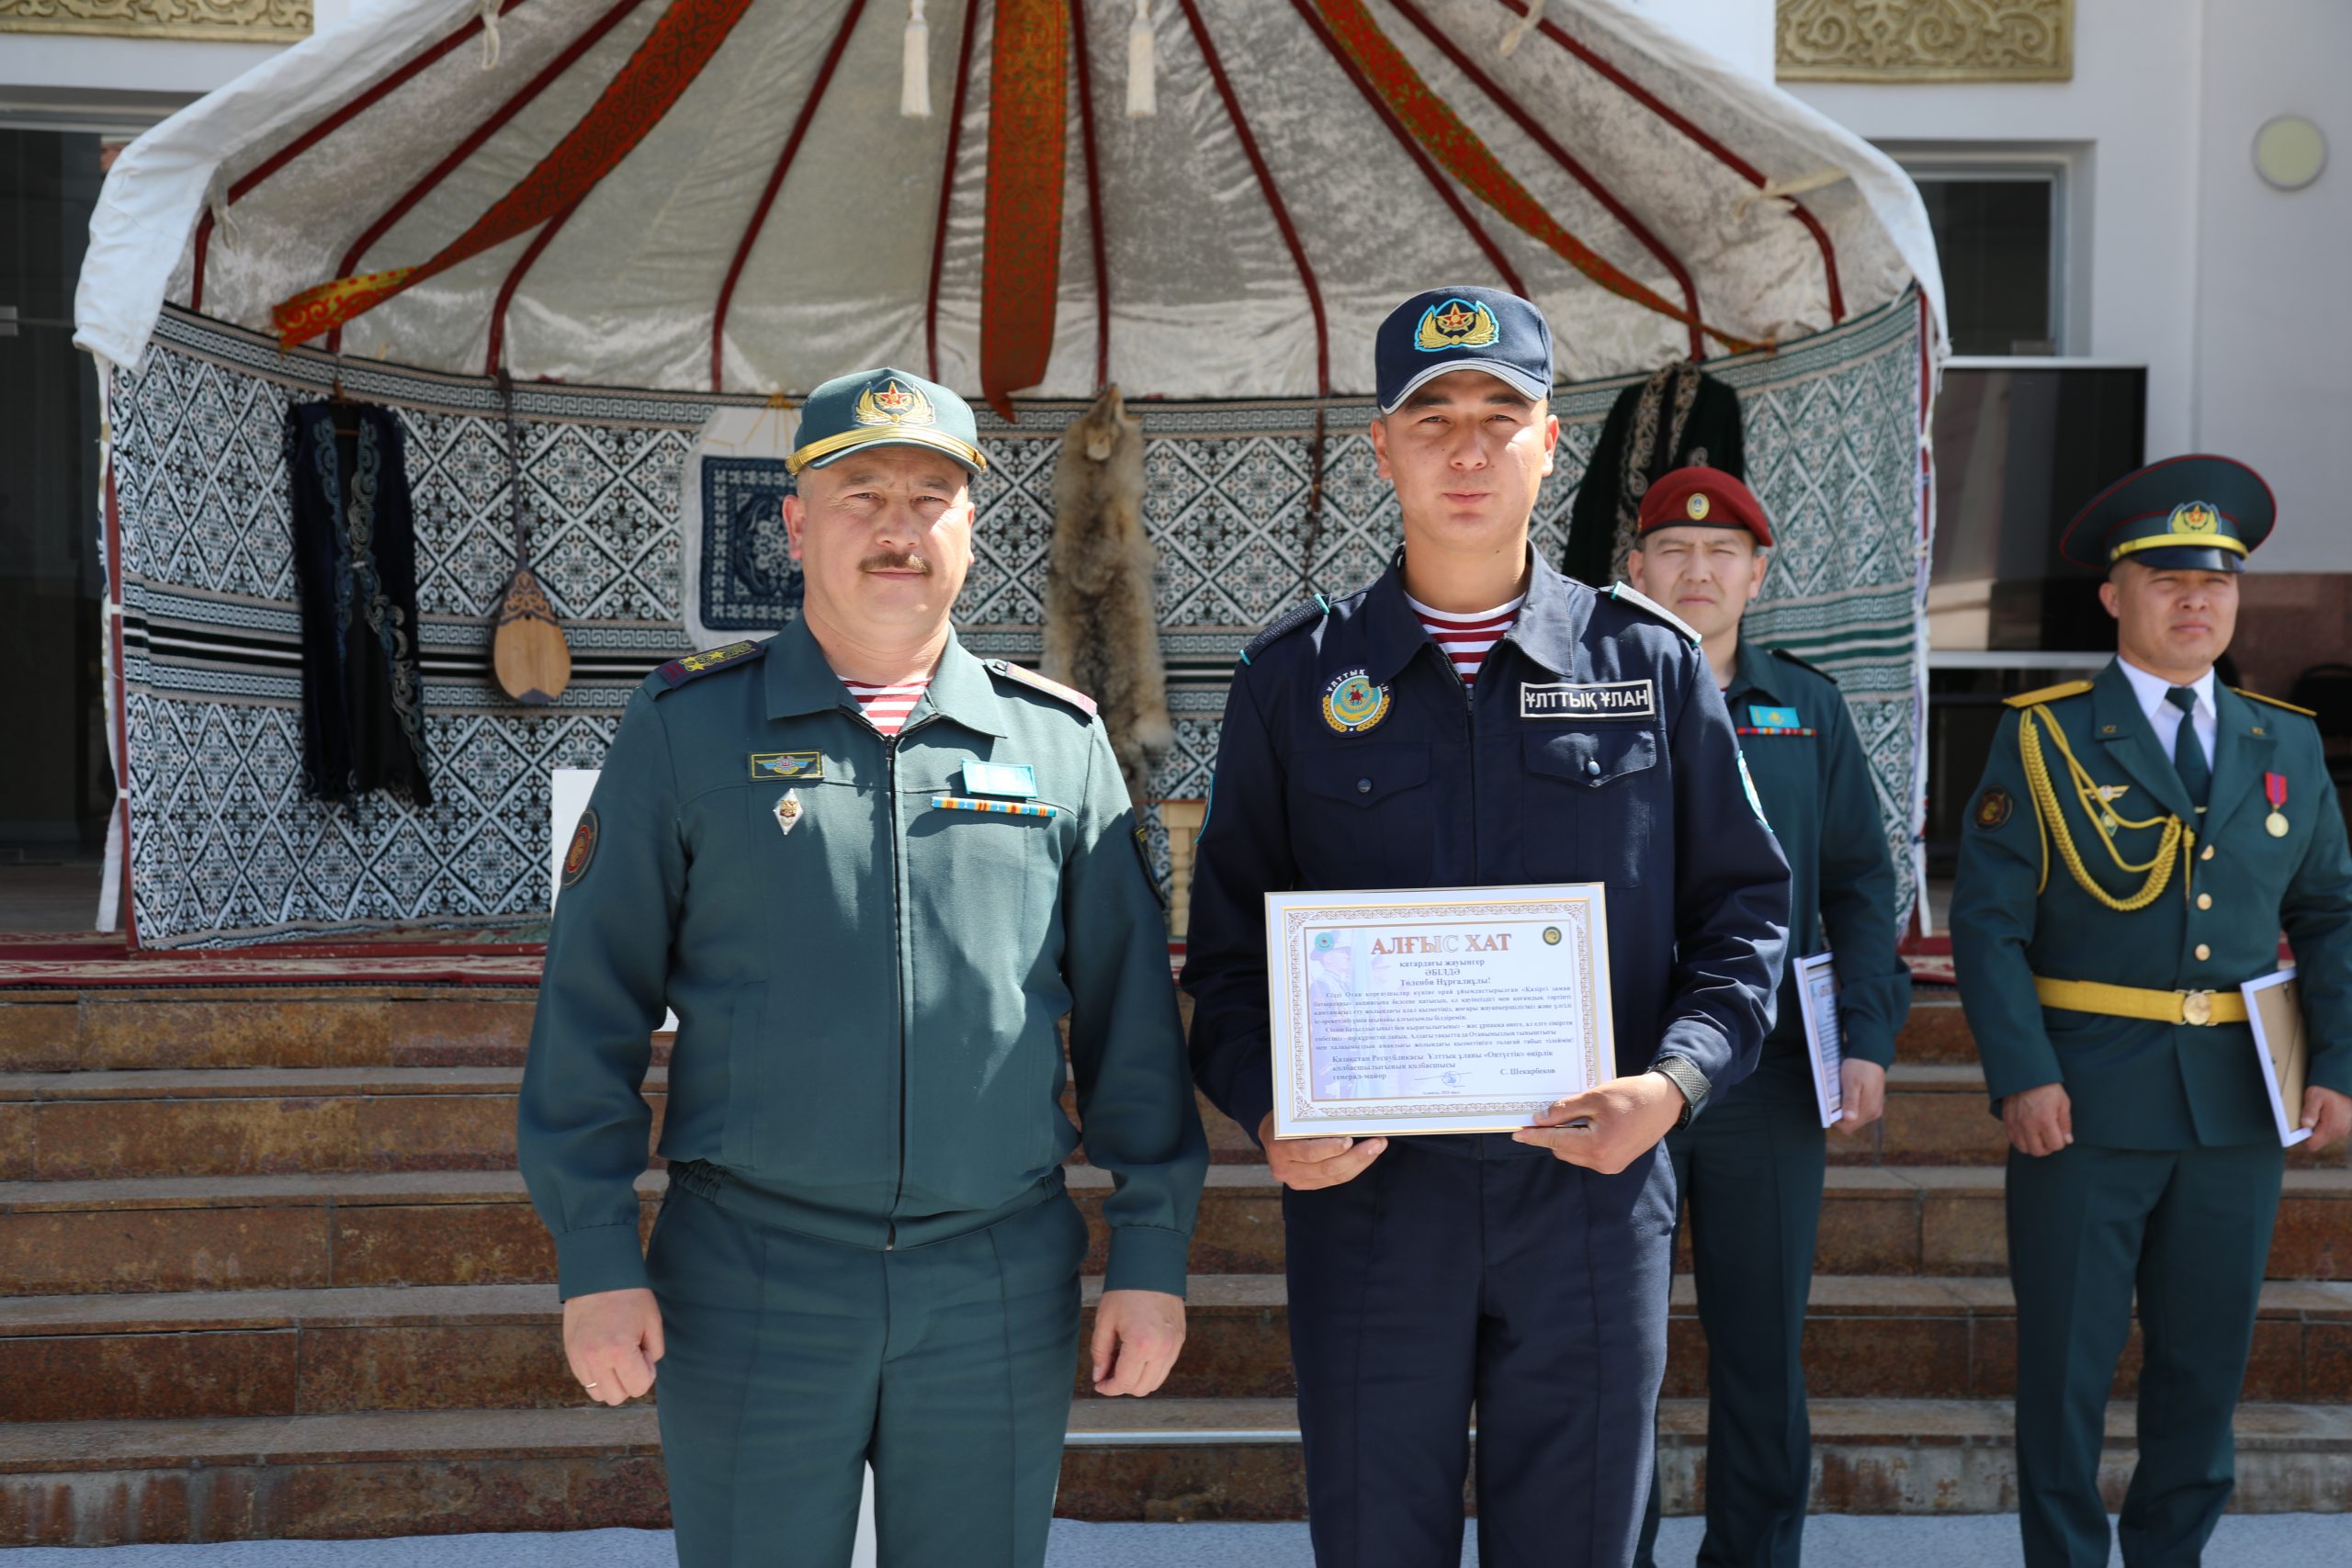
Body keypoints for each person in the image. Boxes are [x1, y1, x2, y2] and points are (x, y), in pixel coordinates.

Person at [517, 367, 1208, 1568]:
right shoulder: (687, 730)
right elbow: (590, 1011)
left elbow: (1132, 1029)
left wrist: (1151, 1253)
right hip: (752, 1275)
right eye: (862, 494)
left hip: (994, 1278)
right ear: (794, 523)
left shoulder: (1059, 744)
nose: (900, 526)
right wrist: (594, 1253)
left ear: (971, 528)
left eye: (932, 497)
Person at [1182, 287, 1792, 1567]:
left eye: (1498, 417)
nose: (1467, 449)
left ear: (1549, 443)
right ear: (1381, 447)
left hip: (1589, 1196)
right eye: (1432, 419)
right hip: (1370, 1203)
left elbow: (1744, 916)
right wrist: (1271, 1107)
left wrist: (1672, 1087)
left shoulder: (1649, 663)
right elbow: (1230, 955)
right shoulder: (1297, 677)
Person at [1950, 455, 2352, 1568]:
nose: (2194, 602)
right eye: (2166, 580)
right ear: (2112, 595)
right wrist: (2023, 1073)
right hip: (2084, 1097)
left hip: (2238, 1102)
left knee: (2203, 1366)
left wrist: (2338, 1064)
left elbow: (2330, 915)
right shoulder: (2045, 735)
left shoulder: (2283, 740)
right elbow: (1987, 925)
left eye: (2215, 582)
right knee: (2067, 1368)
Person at [1623, 467, 1913, 1568]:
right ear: (1635, 571)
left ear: (1756, 576)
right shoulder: (1582, 693)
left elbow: (1859, 881)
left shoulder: (1806, 708)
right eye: (1673, 551)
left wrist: (1867, 1039)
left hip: (1771, 1072)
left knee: (1759, 1344)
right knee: (1615, 1346)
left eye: (1722, 554)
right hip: (1622, 1073)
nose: (1697, 571)